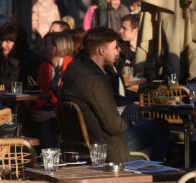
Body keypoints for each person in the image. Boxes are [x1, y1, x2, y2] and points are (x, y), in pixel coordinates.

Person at [59, 27, 169, 163]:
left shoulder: (77, 70)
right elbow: (113, 125)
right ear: (102, 50)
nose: (118, 51)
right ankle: (155, 170)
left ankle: (151, 163)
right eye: (115, 47)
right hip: (106, 147)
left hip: (86, 143)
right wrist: (130, 123)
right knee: (161, 125)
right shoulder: (95, 81)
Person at [32, 32, 75, 148]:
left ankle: (49, 155)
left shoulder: (71, 67)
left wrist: (52, 113)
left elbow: (73, 98)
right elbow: (43, 94)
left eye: (46, 44)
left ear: (57, 47)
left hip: (68, 112)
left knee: (46, 121)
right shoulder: (44, 67)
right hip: (52, 109)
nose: (42, 48)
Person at [0, 22, 41, 88]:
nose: (3, 45)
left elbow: (31, 84)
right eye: (1, 40)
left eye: (8, 41)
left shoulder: (30, 59)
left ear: (18, 42)